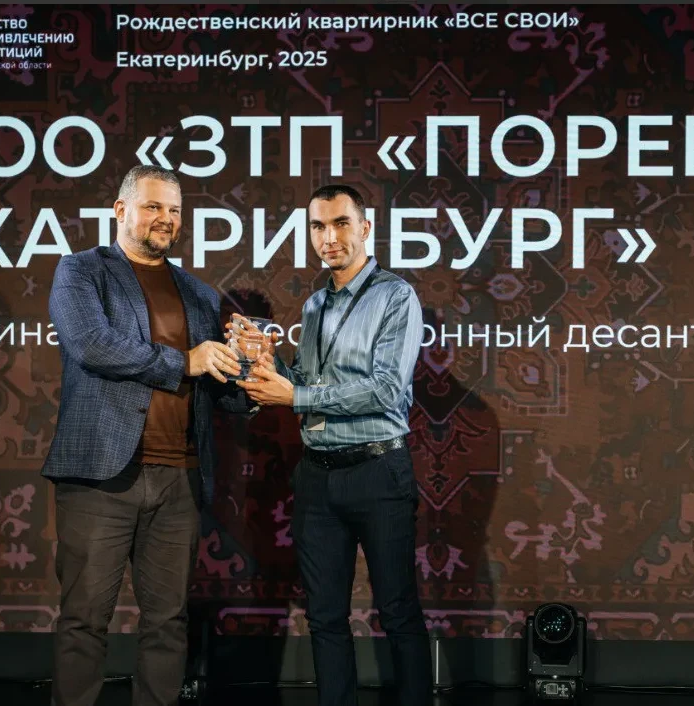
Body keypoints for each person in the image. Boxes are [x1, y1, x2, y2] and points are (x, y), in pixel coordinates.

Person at [42, 165, 258, 706]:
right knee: (84, 619)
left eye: (175, 210)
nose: (166, 219)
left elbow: (219, 392)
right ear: (120, 210)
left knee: (168, 622)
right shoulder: (81, 271)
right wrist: (185, 360)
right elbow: (92, 345)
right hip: (101, 476)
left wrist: (251, 372)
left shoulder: (199, 293)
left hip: (179, 479)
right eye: (153, 206)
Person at [237, 184, 429, 706]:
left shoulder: (395, 296)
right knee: (324, 616)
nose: (329, 237)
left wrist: (295, 394)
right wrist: (267, 362)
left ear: (365, 228)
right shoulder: (315, 303)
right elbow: (305, 381)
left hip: (378, 471)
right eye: (318, 226)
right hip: (317, 477)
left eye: (341, 223)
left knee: (398, 612)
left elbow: (386, 389)